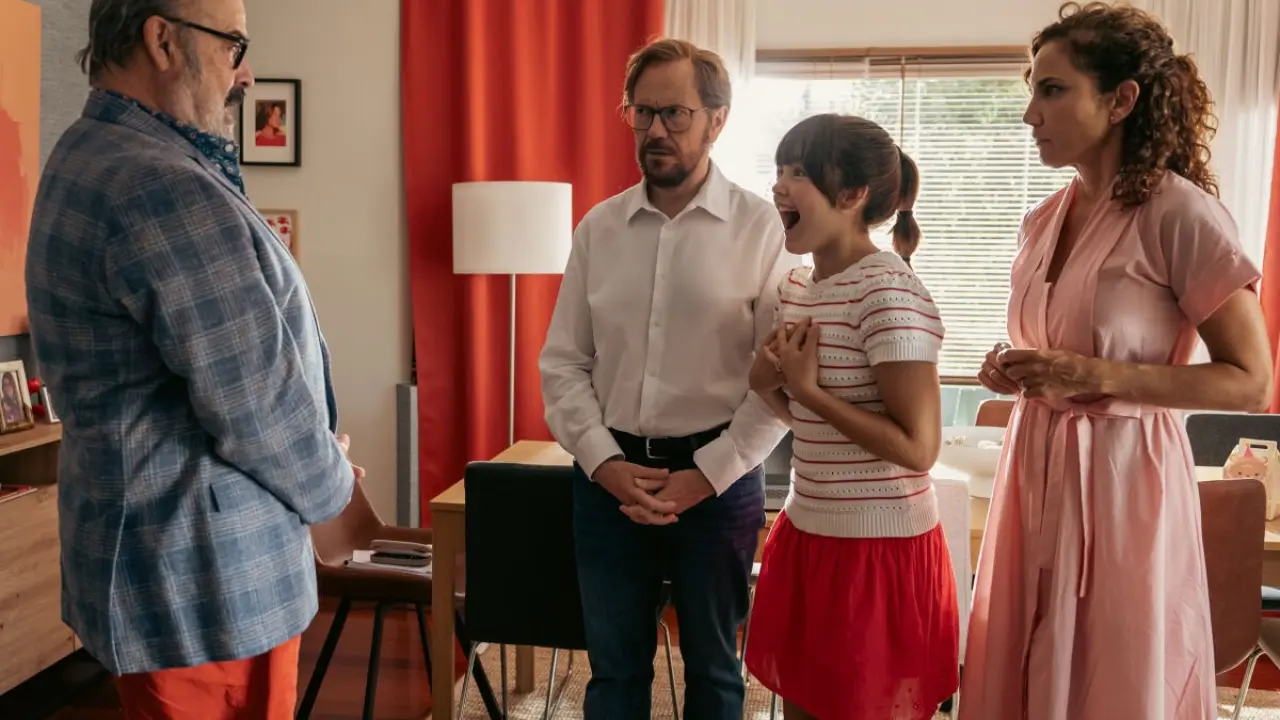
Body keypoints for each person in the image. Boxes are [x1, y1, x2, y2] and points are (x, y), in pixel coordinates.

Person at [24, 1, 359, 717]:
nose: (246, 72)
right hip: (207, 582)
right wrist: (333, 483)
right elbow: (258, 403)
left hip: (160, 562)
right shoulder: (158, 185)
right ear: (162, 39)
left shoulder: (87, 151)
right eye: (233, 44)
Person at [960, 4, 1274, 719]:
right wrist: (1008, 365)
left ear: (1121, 100)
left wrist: (1097, 376)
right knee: (1021, 659)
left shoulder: (1180, 214)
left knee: (1114, 676)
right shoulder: (1041, 219)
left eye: (1052, 90)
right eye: (1031, 91)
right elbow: (1054, 341)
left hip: (1125, 480)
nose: (1030, 114)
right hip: (1032, 466)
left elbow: (1251, 382)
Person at [539, 37, 799, 720]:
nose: (655, 130)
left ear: (717, 120)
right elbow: (563, 363)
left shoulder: (764, 230)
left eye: (674, 114)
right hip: (609, 481)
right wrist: (603, 464)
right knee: (613, 671)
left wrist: (706, 475)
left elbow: (779, 381)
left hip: (719, 482)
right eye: (642, 112)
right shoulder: (599, 229)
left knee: (714, 670)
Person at [742, 114, 958, 720]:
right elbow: (806, 420)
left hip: (877, 549)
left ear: (853, 195)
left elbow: (919, 449)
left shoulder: (888, 291)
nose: (779, 186)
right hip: (809, 531)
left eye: (798, 172)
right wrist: (771, 385)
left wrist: (808, 392)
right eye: (779, 170)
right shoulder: (797, 287)